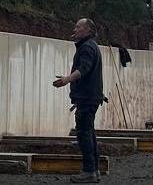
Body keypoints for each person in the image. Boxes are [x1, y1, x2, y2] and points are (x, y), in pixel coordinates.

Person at [51, 16, 105, 183]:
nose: (74, 30)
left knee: (84, 134)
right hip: (91, 97)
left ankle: (89, 171)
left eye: (78, 27)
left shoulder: (87, 47)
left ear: (88, 30)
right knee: (89, 133)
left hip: (87, 98)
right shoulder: (91, 46)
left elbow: (84, 68)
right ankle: (94, 171)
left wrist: (67, 79)